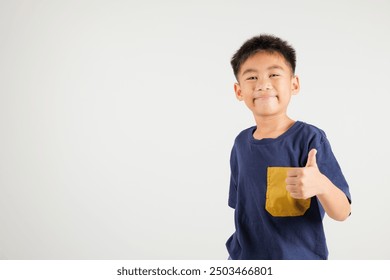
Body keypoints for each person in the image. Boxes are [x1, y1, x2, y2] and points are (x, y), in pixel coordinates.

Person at [226, 34, 351, 260]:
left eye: (274, 74)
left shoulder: (310, 139)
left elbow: (343, 212)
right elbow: (242, 211)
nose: (263, 84)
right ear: (239, 91)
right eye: (252, 77)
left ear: (294, 84)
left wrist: (321, 184)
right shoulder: (240, 144)